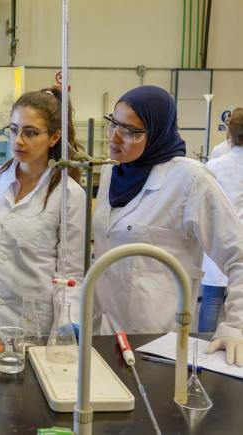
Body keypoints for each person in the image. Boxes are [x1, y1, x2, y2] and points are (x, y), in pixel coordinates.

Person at [93, 85, 243, 366]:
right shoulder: (112, 172)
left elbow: (239, 256)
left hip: (160, 344)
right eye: (114, 123)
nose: (115, 138)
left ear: (158, 133)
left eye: (130, 131)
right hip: (105, 335)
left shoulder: (190, 180)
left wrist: (236, 326)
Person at [0, 87, 86, 329]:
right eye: (14, 130)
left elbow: (70, 273)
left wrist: (67, 325)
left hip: (35, 324)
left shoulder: (69, 194)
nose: (18, 140)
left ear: (54, 137)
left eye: (30, 133)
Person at [200, 108, 243, 332]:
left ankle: (204, 342)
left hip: (220, 237)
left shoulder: (215, 164)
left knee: (212, 299)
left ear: (230, 132)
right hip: (237, 242)